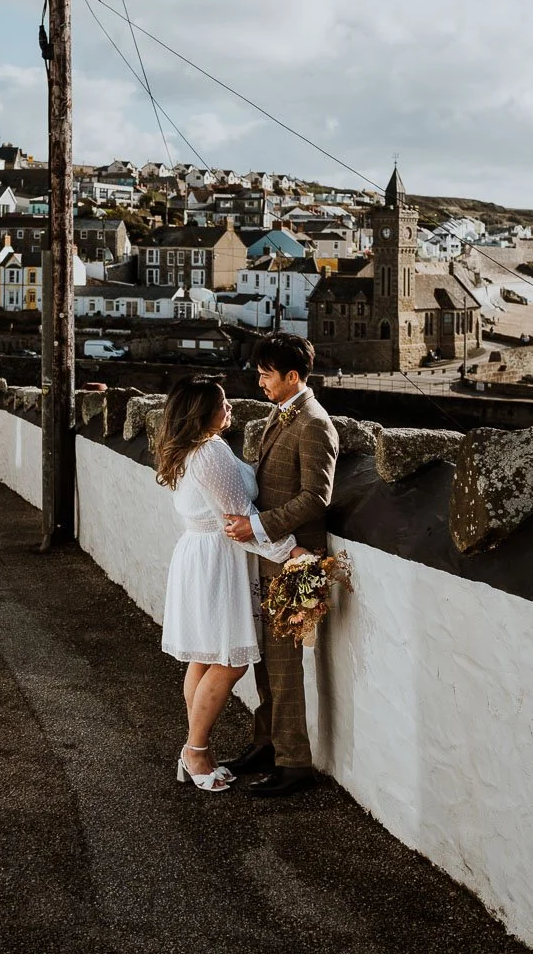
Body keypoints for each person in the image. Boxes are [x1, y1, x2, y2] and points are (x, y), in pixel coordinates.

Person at [155, 376, 308, 793]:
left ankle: (194, 749)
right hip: (216, 561)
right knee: (230, 659)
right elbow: (239, 519)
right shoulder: (210, 454)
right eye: (223, 404)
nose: (230, 409)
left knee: (205, 657)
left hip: (200, 555)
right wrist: (292, 552)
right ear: (203, 414)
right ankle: (195, 749)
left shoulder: (193, 449)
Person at [222, 333, 339, 798]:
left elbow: (316, 498)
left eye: (266, 373)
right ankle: (267, 744)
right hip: (274, 555)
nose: (259, 380)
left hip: (297, 562)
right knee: (268, 665)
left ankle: (295, 765)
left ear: (293, 377)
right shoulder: (282, 413)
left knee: (285, 666)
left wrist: (259, 525)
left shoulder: (314, 424)